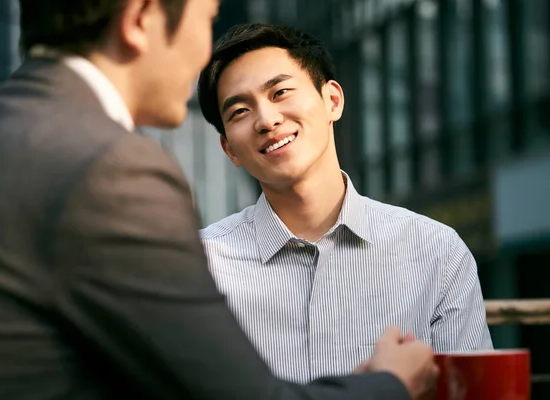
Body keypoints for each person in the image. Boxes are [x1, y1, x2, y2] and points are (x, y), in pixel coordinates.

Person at [0, 1, 438, 399]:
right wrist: (389, 384)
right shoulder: (110, 167)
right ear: (141, 19)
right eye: (206, 20)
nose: (205, 53)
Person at [197, 23, 493, 384]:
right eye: (240, 111)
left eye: (280, 92)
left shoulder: (436, 252)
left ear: (332, 101)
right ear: (230, 150)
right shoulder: (200, 268)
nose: (267, 120)